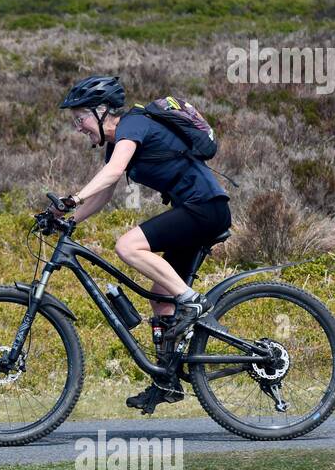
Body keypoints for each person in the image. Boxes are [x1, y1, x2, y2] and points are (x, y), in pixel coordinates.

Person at [54, 75, 232, 412]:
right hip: (196, 210)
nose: (78, 128)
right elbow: (104, 194)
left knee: (128, 246)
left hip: (205, 208)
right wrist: (67, 220)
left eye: (80, 119)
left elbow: (111, 173)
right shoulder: (119, 141)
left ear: (102, 111)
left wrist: (72, 198)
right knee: (162, 300)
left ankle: (194, 303)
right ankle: (166, 383)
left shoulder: (132, 125)